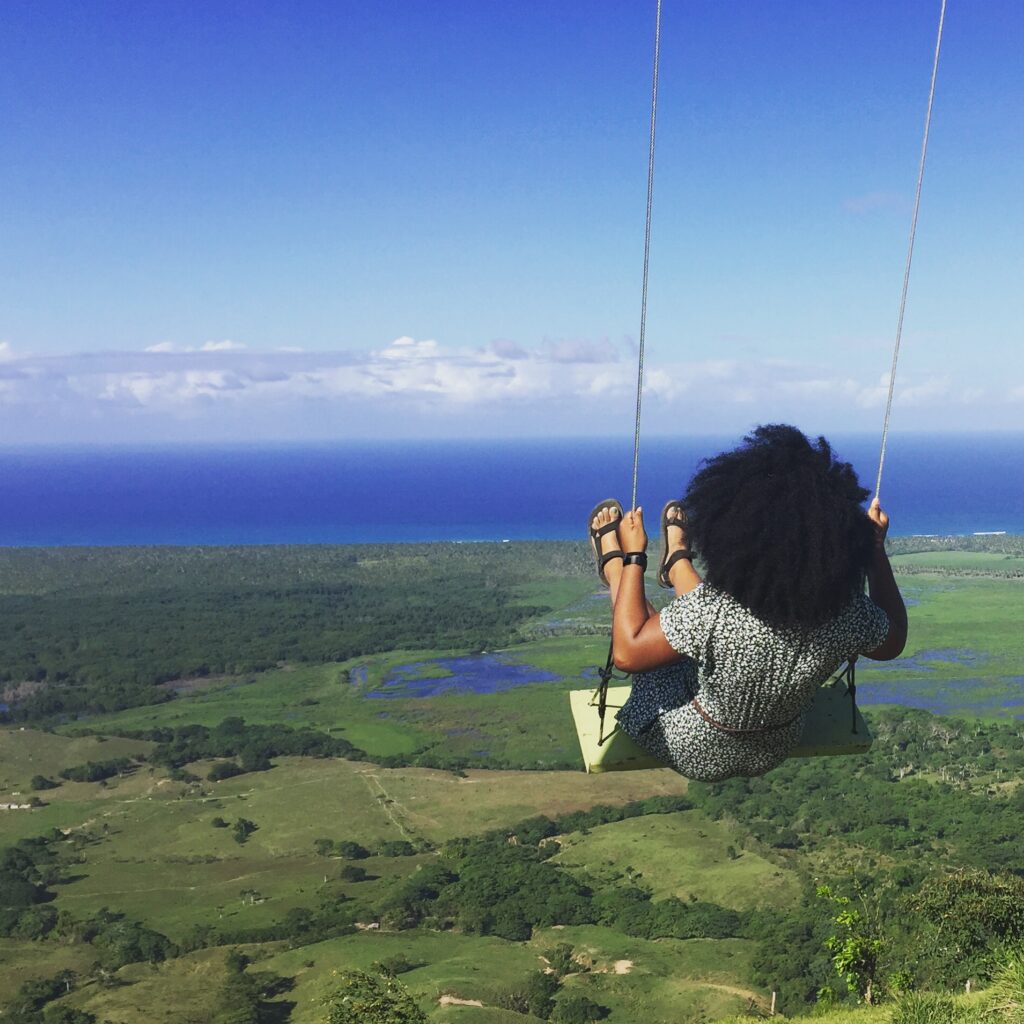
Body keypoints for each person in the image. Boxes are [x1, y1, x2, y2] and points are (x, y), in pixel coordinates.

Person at [589, 424, 907, 782]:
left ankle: (617, 568)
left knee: (660, 654)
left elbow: (628, 653)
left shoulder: (718, 610)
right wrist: (876, 552)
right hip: (772, 747)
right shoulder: (848, 612)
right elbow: (893, 641)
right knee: (699, 620)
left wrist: (634, 554)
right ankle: (677, 560)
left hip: (694, 747)